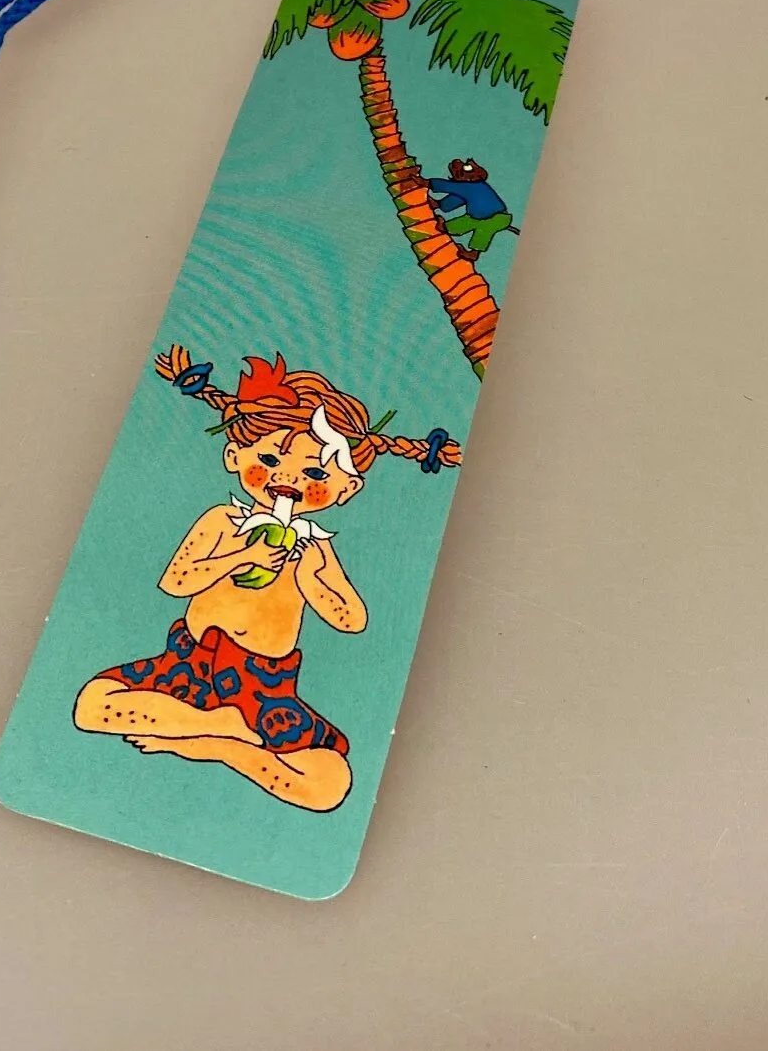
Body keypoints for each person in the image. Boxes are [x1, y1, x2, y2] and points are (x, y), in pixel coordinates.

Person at [72, 345, 462, 812]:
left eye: (315, 471)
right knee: (93, 705)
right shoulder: (223, 521)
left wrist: (312, 579)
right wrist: (243, 555)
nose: (288, 478)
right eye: (271, 460)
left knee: (329, 784)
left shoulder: (313, 547)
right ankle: (210, 724)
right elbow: (177, 580)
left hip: (264, 686)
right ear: (234, 457)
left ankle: (217, 745)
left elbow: (351, 619)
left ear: (346, 489)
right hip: (191, 663)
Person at [427, 158, 516, 262]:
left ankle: (474, 253)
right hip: (478, 218)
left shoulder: (472, 186)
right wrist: (440, 205)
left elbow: (447, 186)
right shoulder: (467, 188)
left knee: (483, 230)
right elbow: (458, 198)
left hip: (498, 218)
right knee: (469, 221)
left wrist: (426, 182)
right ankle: (446, 227)